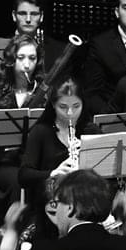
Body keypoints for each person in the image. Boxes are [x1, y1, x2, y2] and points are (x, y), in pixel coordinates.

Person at [16, 75, 95, 210]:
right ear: (53, 105)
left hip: (85, 205)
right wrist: (53, 173)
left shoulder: (91, 131)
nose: (70, 113)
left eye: (76, 106)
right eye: (63, 107)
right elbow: (24, 176)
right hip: (48, 206)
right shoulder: (41, 132)